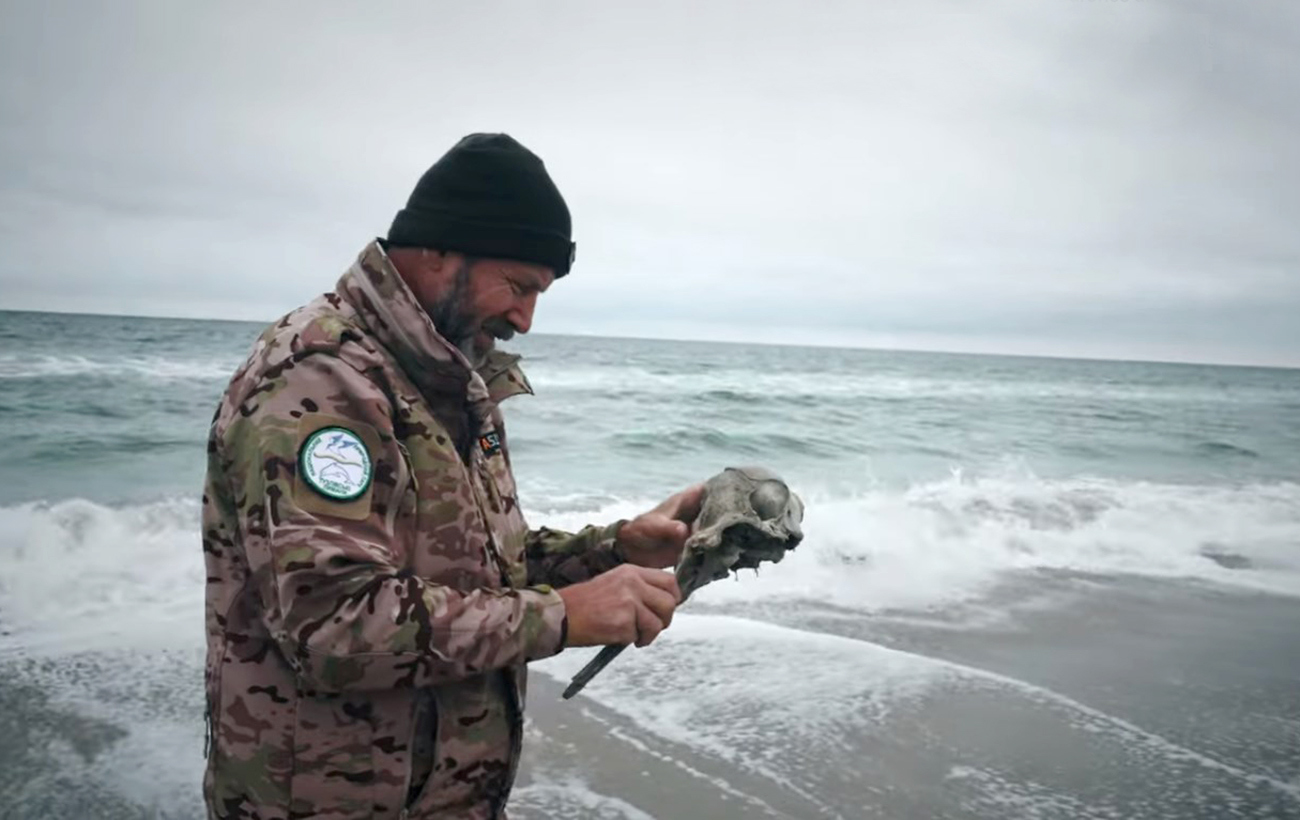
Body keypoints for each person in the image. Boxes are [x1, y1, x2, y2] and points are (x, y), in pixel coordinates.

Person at [201, 133, 703, 820]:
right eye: (519, 286)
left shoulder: (446, 378)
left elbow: (479, 569)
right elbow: (335, 626)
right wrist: (564, 617)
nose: (526, 318)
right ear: (438, 249)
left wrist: (616, 549)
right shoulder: (321, 378)